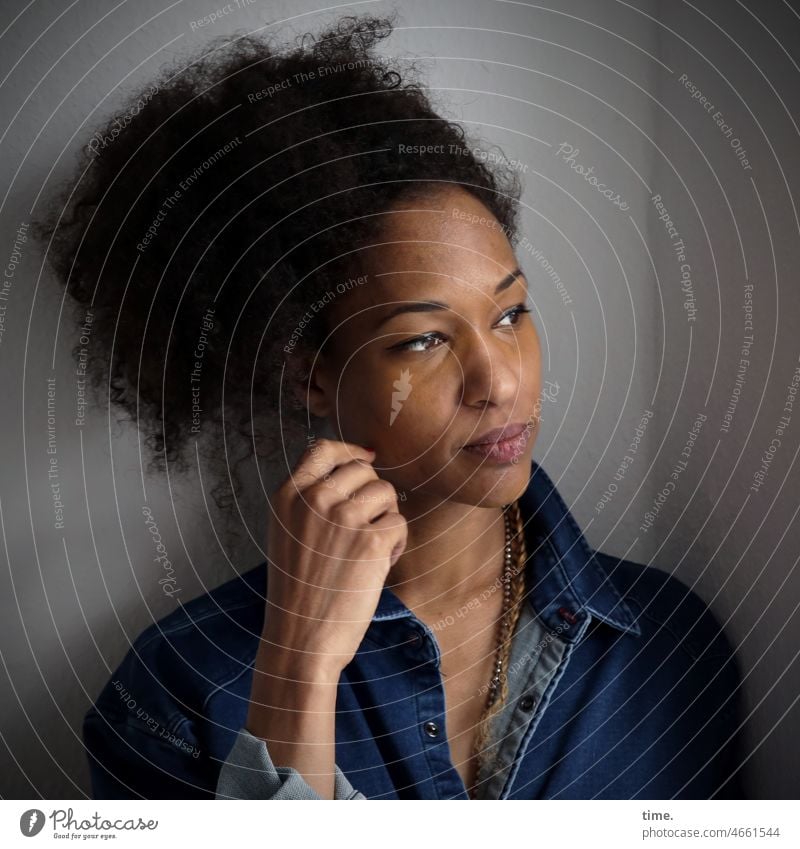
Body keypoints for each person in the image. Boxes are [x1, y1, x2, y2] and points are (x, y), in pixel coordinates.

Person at [33, 13, 744, 800]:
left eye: (510, 315)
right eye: (422, 341)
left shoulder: (672, 648)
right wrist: (299, 669)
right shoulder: (177, 693)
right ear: (312, 377)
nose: (500, 382)